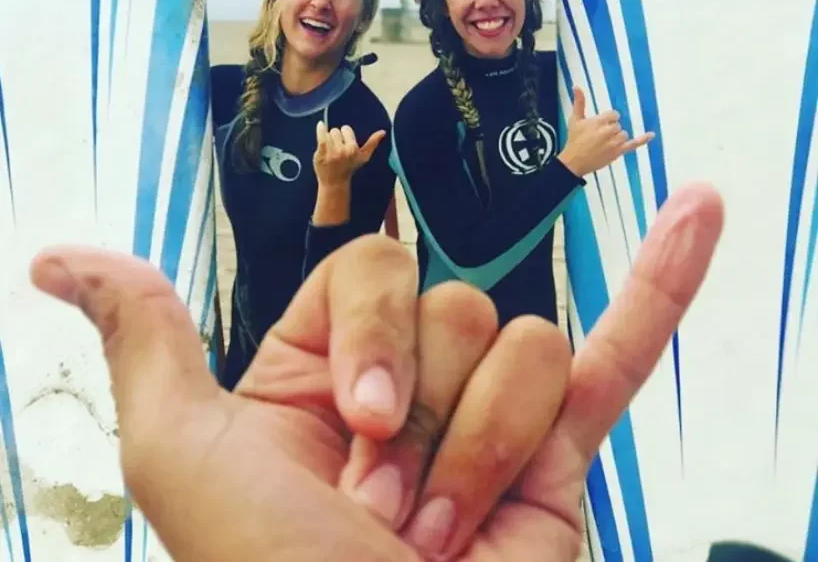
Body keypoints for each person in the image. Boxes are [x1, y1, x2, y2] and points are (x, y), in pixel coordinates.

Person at [29, 182, 783, 561]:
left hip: (534, 400)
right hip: (311, 364)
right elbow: (463, 253)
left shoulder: (383, 101)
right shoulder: (414, 110)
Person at [390, 0, 654, 327]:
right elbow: (472, 263)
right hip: (453, 354)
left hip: (541, 344)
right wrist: (570, 168)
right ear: (441, 3)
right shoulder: (423, 111)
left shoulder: (563, 82)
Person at [210, 0, 395, 389]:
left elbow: (330, 287)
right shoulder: (222, 91)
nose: (322, 1)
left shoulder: (362, 121)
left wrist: (333, 187)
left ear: (361, 17)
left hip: (316, 370)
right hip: (241, 354)